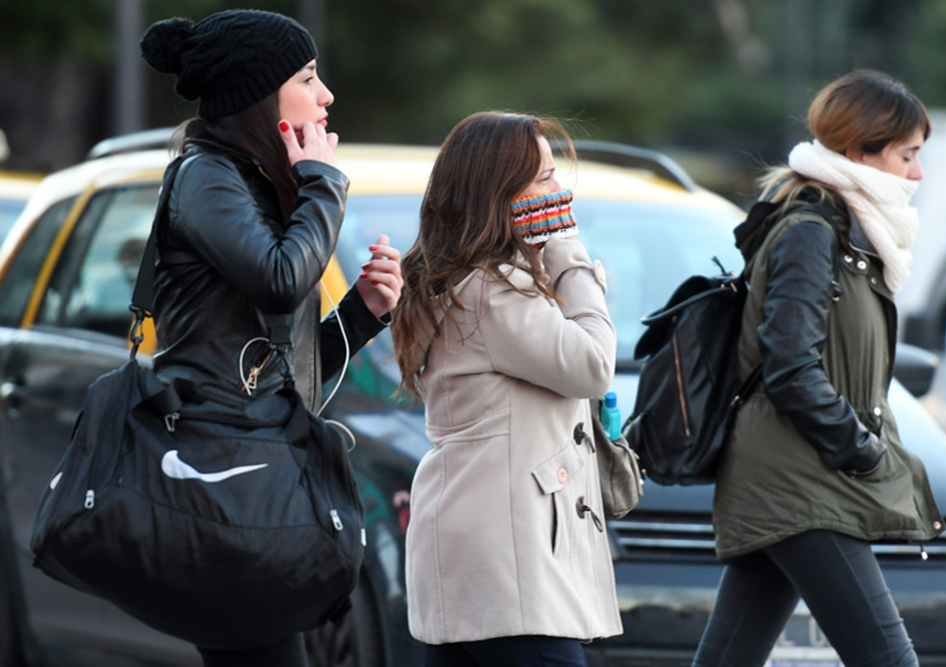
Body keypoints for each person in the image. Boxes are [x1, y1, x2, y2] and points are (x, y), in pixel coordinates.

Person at [139, 9, 401, 667]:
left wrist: (361, 312)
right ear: (262, 94)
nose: (326, 96)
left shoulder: (252, 187)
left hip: (255, 486)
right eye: (309, 78)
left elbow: (287, 376)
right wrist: (323, 182)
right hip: (220, 486)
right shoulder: (206, 178)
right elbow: (281, 279)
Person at [692, 69, 945, 666]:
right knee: (888, 659)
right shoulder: (812, 230)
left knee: (730, 656)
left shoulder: (850, 235)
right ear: (862, 151)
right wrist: (859, 447)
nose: (919, 173)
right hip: (802, 478)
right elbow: (789, 365)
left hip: (789, 473)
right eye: (908, 155)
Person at [391, 111, 622, 666]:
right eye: (542, 176)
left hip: (483, 553)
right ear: (499, 192)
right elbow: (592, 364)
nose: (558, 190)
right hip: (507, 565)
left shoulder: (468, 283)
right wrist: (569, 256)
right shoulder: (492, 293)